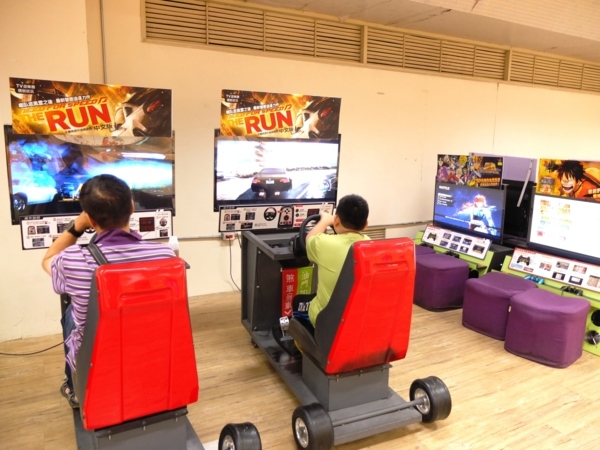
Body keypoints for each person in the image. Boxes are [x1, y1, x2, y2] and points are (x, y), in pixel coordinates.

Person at [42, 174, 176, 409]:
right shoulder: (164, 255)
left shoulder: (73, 260)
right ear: (132, 207)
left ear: (90, 219)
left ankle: (75, 390)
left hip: (97, 360)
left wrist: (76, 228)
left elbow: (48, 259)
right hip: (150, 350)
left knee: (72, 315)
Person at [294, 194, 370, 332]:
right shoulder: (370, 244)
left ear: (336, 220)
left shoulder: (324, 243)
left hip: (328, 322)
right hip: (359, 319)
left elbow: (309, 238)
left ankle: (308, 340)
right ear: (366, 225)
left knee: (298, 302)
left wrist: (324, 221)